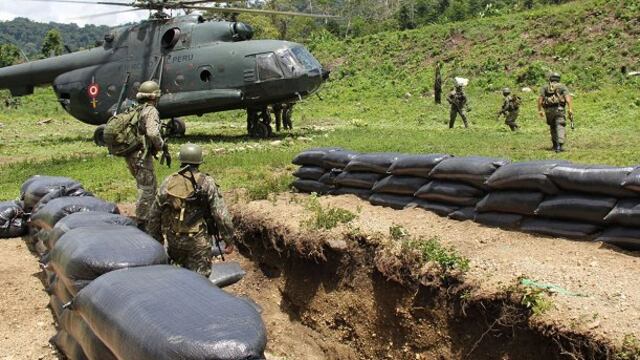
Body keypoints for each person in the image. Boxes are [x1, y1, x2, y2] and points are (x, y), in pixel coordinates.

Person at [147, 143, 235, 277]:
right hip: (197, 244)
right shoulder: (207, 183)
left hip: (174, 242)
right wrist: (228, 240)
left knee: (178, 279)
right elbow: (221, 216)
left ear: (181, 160)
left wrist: (157, 238)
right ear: (199, 161)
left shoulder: (169, 181)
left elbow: (154, 212)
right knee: (200, 283)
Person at [126, 80, 165, 229]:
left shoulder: (135, 109)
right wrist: (161, 145)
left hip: (131, 154)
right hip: (141, 155)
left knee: (146, 186)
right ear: (154, 96)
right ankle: (143, 223)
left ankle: (149, 217)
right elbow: (153, 133)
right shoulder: (150, 111)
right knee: (147, 189)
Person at [537, 72, 574, 152]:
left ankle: (554, 145)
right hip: (559, 109)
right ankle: (559, 145)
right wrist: (570, 109)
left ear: (550, 78)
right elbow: (568, 98)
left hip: (548, 111)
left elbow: (540, 99)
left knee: (552, 126)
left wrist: (540, 110)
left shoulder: (545, 87)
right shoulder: (562, 87)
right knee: (560, 125)